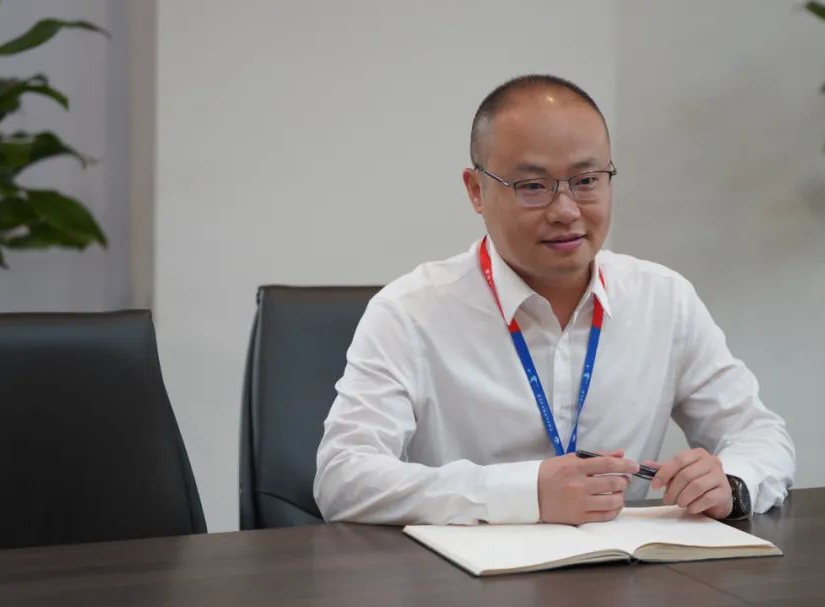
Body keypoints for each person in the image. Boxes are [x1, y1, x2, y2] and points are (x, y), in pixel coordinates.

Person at [314, 74, 794, 525]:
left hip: (623, 568)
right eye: (533, 187)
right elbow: (343, 476)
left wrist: (730, 482)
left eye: (586, 181)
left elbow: (759, 434)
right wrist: (524, 494)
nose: (566, 211)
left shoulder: (663, 299)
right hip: (465, 572)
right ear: (476, 190)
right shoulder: (411, 312)